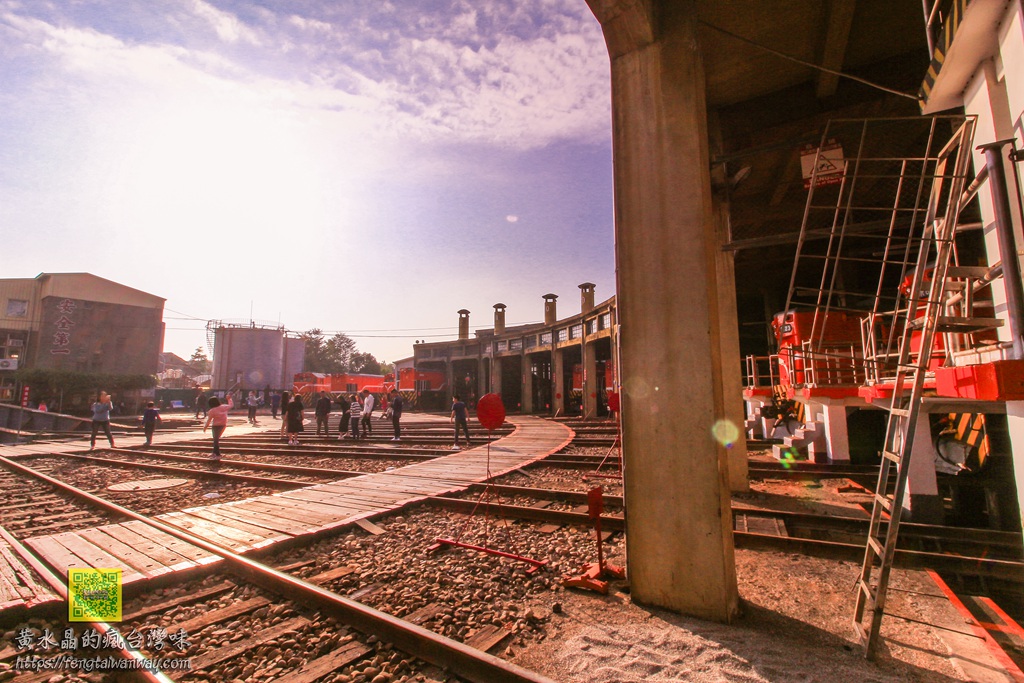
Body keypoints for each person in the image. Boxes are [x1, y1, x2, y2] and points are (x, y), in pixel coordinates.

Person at [204, 392, 234, 459]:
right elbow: (231, 405)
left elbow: (209, 420)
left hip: (215, 426)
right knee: (216, 440)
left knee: (215, 440)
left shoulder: (211, 411)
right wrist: (229, 399)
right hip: (223, 425)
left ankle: (217, 454)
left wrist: (205, 427)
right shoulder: (223, 407)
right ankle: (215, 453)